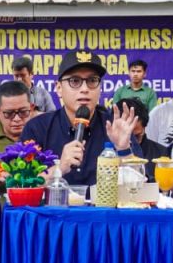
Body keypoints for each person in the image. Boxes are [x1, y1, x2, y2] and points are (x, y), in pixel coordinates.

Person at [19, 49, 140, 187]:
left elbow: (140, 187)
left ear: (100, 88)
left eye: (92, 81)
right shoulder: (37, 128)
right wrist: (59, 168)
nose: (84, 89)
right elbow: (20, 185)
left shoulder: (115, 127)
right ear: (59, 88)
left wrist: (124, 150)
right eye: (75, 81)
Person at [121, 97, 169, 182]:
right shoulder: (104, 155)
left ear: (145, 127)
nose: (131, 141)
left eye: (136, 136)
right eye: (125, 135)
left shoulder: (162, 154)